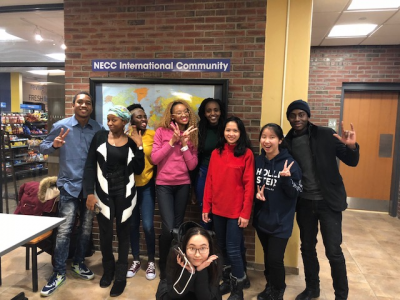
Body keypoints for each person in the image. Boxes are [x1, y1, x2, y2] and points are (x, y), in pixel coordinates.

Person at [285, 100, 359, 300]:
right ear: (289, 118)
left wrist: (351, 147)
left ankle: (341, 295)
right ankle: (312, 289)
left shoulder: (325, 134)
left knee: (333, 251)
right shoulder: (287, 142)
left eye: (301, 114)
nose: (297, 119)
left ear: (308, 116)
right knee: (307, 248)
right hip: (305, 202)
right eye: (293, 115)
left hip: (329, 202)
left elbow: (352, 162)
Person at [39, 91, 103, 297]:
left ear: (91, 107)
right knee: (64, 231)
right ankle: (58, 272)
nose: (84, 105)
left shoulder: (98, 128)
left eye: (88, 103)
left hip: (89, 189)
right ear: (73, 104)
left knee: (85, 229)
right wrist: (54, 145)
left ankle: (78, 263)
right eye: (80, 102)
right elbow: (43, 147)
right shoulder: (61, 126)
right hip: (68, 186)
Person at [83, 105, 145, 297]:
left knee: (124, 234)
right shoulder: (100, 137)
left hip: (125, 193)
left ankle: (120, 276)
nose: (110, 123)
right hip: (103, 193)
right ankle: (108, 271)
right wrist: (89, 193)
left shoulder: (131, 142)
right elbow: (89, 167)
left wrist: (140, 145)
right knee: (105, 234)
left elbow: (139, 169)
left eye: (114, 120)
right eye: (108, 119)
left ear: (124, 121)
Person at [202, 116, 255, 300]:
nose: (231, 134)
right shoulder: (217, 152)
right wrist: (206, 206)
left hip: (236, 212)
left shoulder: (246, 153)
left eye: (235, 131)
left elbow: (249, 186)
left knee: (233, 249)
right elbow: (209, 181)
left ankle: (238, 289)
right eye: (228, 130)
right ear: (223, 132)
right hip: (218, 209)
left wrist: (245, 212)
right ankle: (226, 281)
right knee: (222, 248)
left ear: (241, 133)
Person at [253, 123, 303, 300]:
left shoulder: (290, 163)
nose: (267, 141)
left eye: (272, 137)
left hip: (281, 222)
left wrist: (287, 180)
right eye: (264, 137)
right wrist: (255, 196)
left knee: (275, 259)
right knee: (268, 258)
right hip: (262, 219)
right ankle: (270, 285)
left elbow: (296, 192)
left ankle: (278, 290)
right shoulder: (258, 161)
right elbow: (251, 186)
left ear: (280, 140)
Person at [151, 99, 198, 279]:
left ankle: (176, 264)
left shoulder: (192, 134)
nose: (184, 115)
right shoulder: (161, 132)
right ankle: (164, 263)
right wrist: (172, 141)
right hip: (164, 184)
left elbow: (192, 165)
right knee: (168, 227)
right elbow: (155, 159)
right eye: (179, 112)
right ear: (171, 116)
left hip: (183, 185)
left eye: (186, 111)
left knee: (178, 227)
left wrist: (184, 143)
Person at [125, 103, 157, 280]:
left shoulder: (153, 135)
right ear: (131, 120)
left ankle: (151, 261)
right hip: (129, 188)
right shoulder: (124, 136)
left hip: (147, 186)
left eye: (144, 116)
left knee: (148, 226)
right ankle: (136, 259)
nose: (143, 119)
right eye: (139, 116)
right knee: (132, 225)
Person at [156, 225, 222, 300]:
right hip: (179, 292)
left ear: (209, 248)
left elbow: (205, 297)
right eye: (192, 248)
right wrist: (190, 272)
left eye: (203, 248)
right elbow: (173, 294)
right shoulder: (175, 254)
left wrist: (201, 270)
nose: (197, 255)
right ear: (185, 248)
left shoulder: (215, 259)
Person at [193, 98, 226, 229]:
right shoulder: (199, 130)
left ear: (221, 111)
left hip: (224, 174)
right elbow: (196, 159)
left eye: (216, 110)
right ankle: (205, 247)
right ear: (204, 113)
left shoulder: (227, 128)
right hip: (204, 173)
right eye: (209, 111)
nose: (213, 113)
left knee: (220, 212)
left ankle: (218, 246)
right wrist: (193, 189)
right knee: (205, 213)